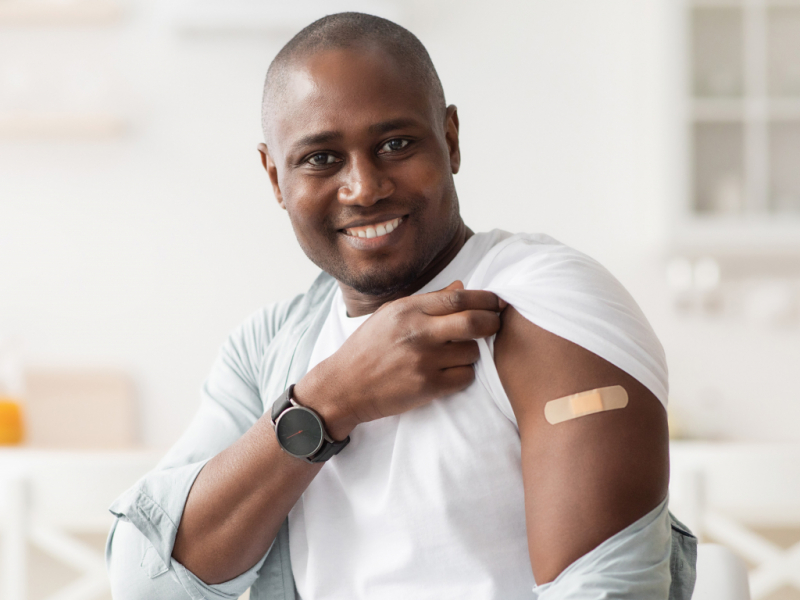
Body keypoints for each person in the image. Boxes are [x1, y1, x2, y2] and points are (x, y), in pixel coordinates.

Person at [106, 12, 696, 600]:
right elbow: (144, 581)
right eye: (320, 158)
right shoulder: (268, 346)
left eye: (395, 144)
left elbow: (608, 592)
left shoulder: (545, 300)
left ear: (452, 139)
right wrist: (328, 401)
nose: (364, 187)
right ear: (274, 178)